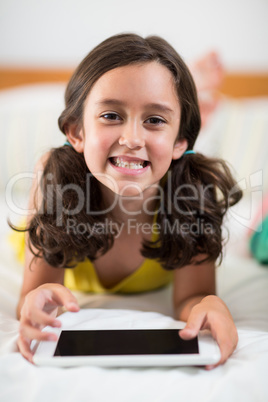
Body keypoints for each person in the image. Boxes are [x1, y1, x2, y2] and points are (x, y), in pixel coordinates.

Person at [12, 33, 242, 368]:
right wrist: (36, 302)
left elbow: (191, 297)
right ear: (76, 132)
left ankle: (191, 101)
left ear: (181, 142)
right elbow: (39, 292)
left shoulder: (194, 192)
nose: (132, 139)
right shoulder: (54, 179)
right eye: (111, 115)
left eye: (154, 119)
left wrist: (208, 305)